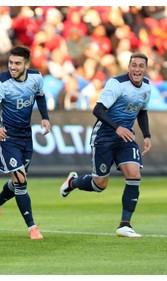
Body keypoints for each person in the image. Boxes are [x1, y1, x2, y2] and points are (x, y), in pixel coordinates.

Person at [60, 52, 152, 238]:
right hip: (104, 136)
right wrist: (117, 127)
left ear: (145, 69)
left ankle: (125, 224)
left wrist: (147, 135)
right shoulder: (116, 84)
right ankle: (73, 182)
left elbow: (142, 111)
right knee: (99, 184)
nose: (137, 69)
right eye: (133, 65)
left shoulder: (147, 87)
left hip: (125, 137)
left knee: (134, 174)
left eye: (140, 66)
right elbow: (98, 109)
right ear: (128, 67)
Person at [0, 45, 51, 240]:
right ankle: (32, 227)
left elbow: (40, 96)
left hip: (26, 136)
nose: (13, 67)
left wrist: (45, 117)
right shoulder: (0, 82)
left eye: (17, 63)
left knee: (17, 183)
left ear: (26, 64)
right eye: (10, 63)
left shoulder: (36, 78)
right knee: (21, 181)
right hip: (6, 136)